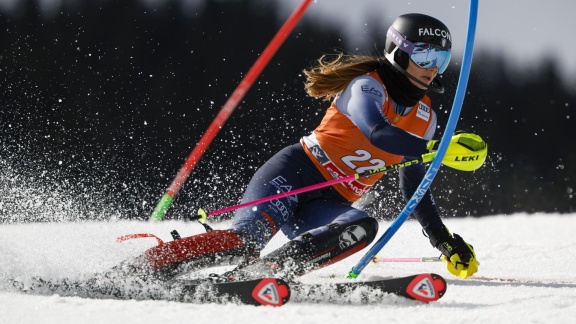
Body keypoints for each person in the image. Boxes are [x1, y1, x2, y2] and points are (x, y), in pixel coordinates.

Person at [145, 13, 485, 281]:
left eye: (440, 59)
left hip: (330, 202)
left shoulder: (425, 118)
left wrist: (443, 240)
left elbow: (415, 188)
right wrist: (435, 148)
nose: (433, 69)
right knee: (244, 244)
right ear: (399, 52)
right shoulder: (366, 86)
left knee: (362, 227)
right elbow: (377, 132)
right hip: (295, 174)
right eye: (425, 57)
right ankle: (142, 268)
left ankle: (265, 276)